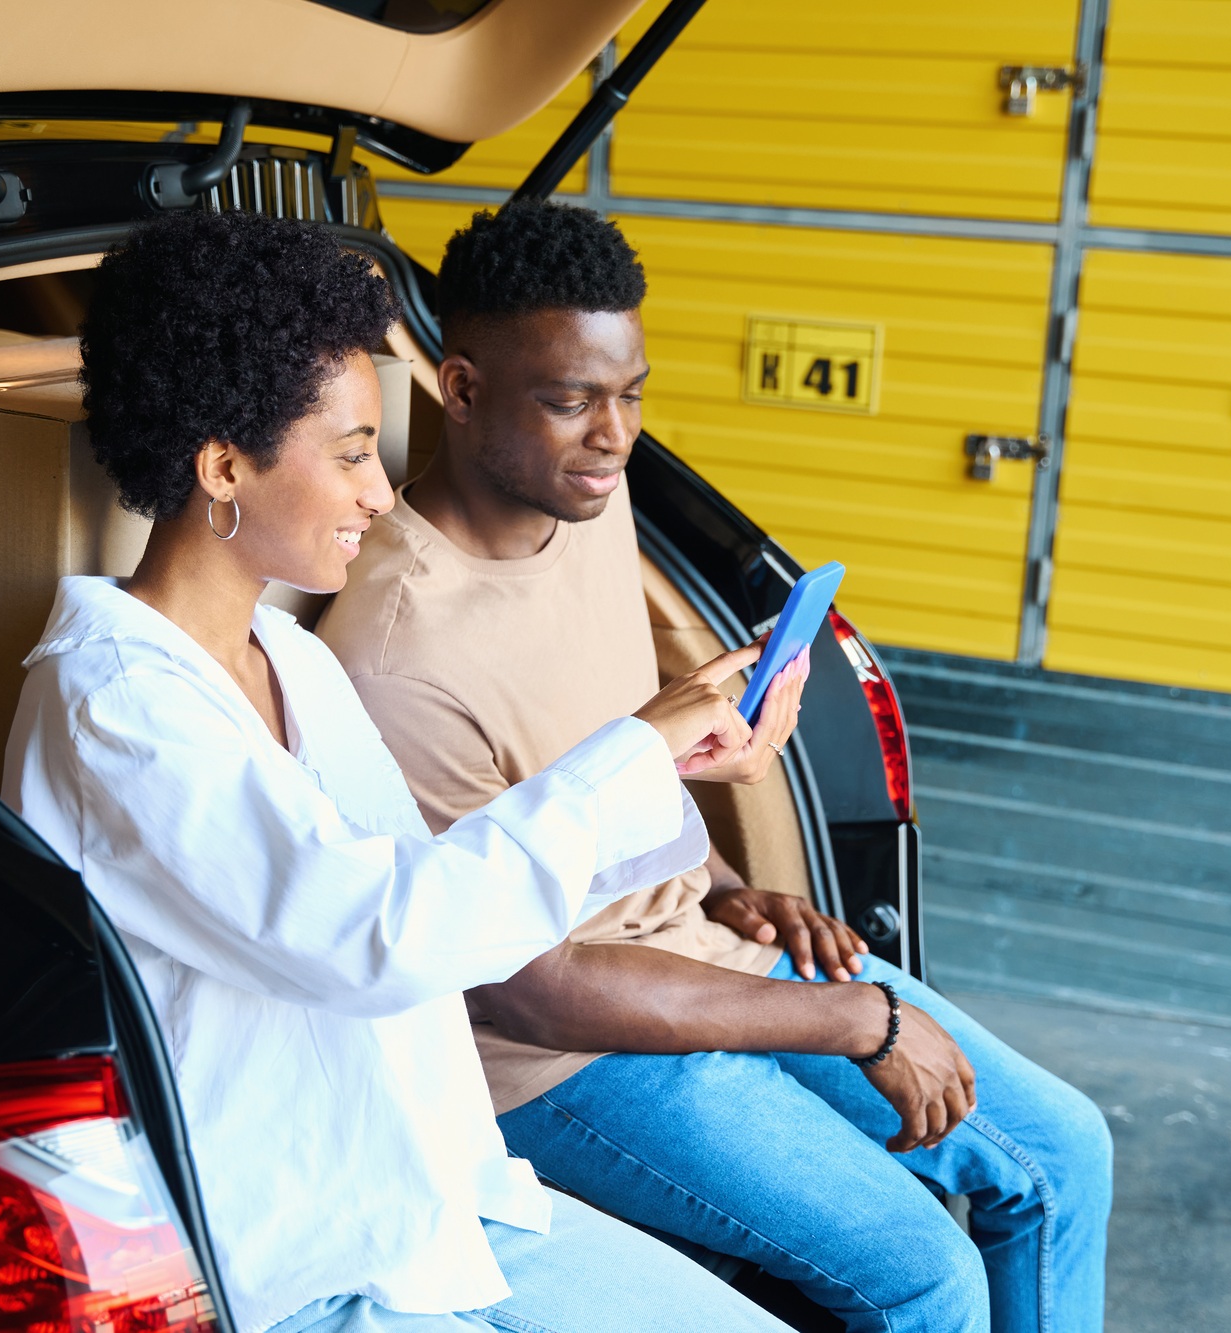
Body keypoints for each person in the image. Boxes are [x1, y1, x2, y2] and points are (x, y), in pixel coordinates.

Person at [317, 200, 1114, 1333]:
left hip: (687, 943)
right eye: (571, 400)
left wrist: (726, 888)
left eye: (631, 393)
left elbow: (602, 763)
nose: (614, 435)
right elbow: (521, 985)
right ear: (461, 387)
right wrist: (855, 1019)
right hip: (553, 1055)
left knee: (1064, 1151)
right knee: (925, 1272)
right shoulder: (400, 653)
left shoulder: (588, 499)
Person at [2, 211, 805, 1333]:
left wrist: (677, 761)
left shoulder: (284, 654)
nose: (381, 494)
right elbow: (381, 934)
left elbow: (454, 888)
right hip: (297, 1249)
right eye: (349, 456)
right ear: (223, 466)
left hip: (433, 1192)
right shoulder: (118, 708)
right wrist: (635, 748)